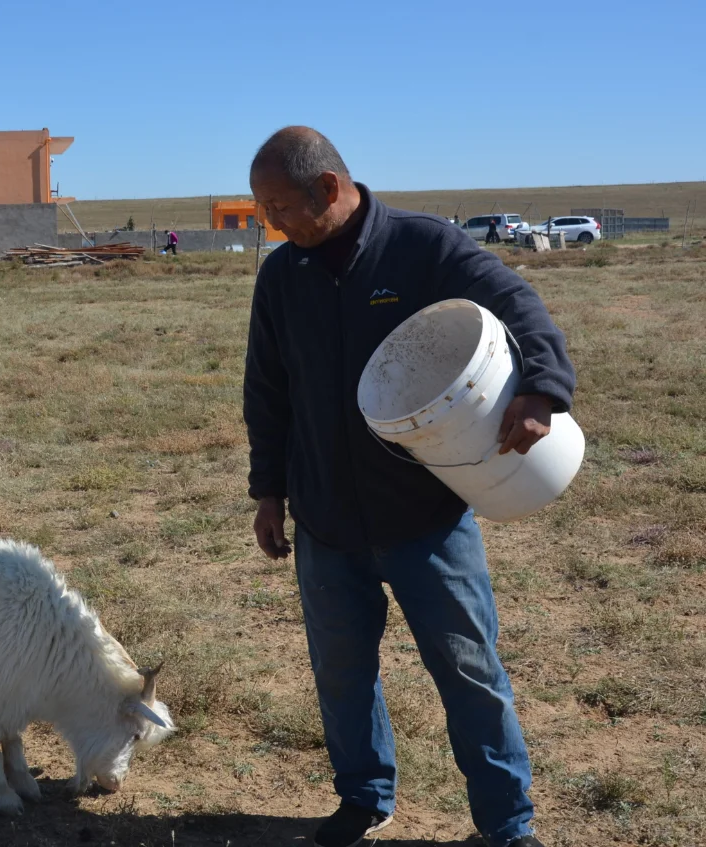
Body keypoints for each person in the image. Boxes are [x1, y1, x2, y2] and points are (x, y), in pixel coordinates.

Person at [244, 126, 574, 847]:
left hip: (425, 518)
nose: (270, 222)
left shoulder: (423, 248)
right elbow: (267, 390)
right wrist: (269, 490)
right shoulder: (282, 277)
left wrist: (543, 390)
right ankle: (364, 799)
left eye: (277, 206)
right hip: (326, 522)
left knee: (470, 674)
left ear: (327, 188)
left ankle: (508, 823)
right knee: (341, 675)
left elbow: (519, 305)